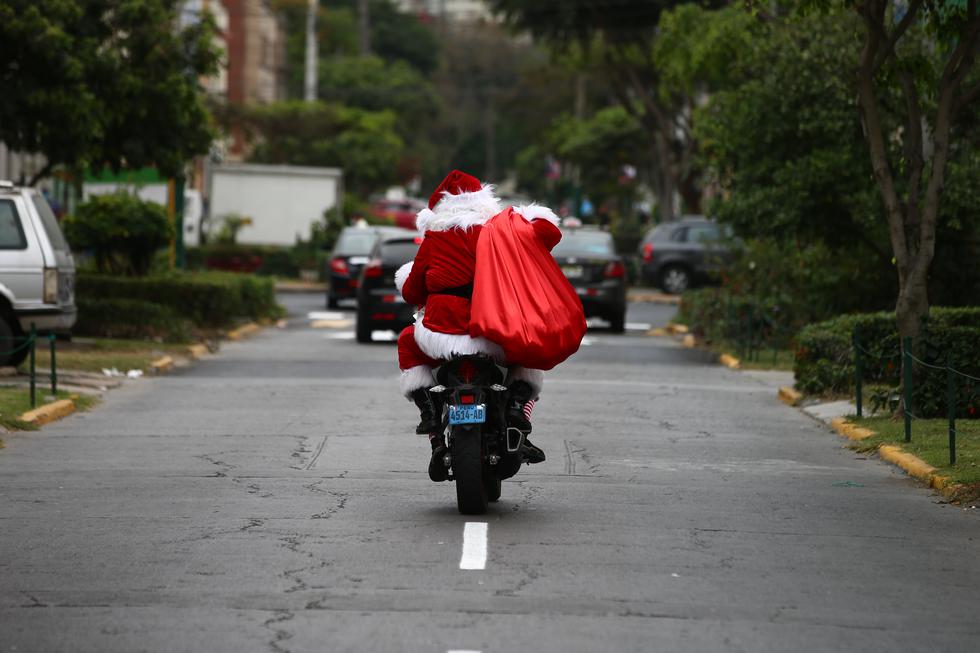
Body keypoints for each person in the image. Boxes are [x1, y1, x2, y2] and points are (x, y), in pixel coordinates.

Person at [395, 170, 563, 481]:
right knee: (529, 347)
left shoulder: (435, 239)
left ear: (441, 209)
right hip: (494, 333)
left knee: (407, 341)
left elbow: (411, 292)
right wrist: (528, 218)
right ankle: (516, 406)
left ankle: (429, 417)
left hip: (441, 335)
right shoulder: (502, 233)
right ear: (485, 202)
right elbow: (549, 236)